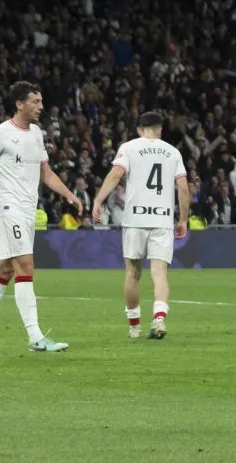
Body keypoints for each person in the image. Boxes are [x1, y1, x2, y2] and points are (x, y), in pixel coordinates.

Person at [0, 81, 82, 352]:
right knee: (25, 266)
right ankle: (35, 336)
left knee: (5, 269)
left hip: (27, 211)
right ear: (19, 104)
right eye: (35, 102)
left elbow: (46, 173)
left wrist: (69, 195)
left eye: (40, 101)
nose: (41, 106)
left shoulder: (37, 133)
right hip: (7, 208)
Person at [92, 111, 190, 340]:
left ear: (139, 129)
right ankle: (159, 318)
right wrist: (183, 218)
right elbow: (183, 187)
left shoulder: (129, 147)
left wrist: (98, 199)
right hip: (162, 219)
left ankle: (134, 327)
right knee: (159, 272)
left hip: (135, 219)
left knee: (133, 272)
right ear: (160, 130)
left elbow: (116, 174)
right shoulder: (173, 152)